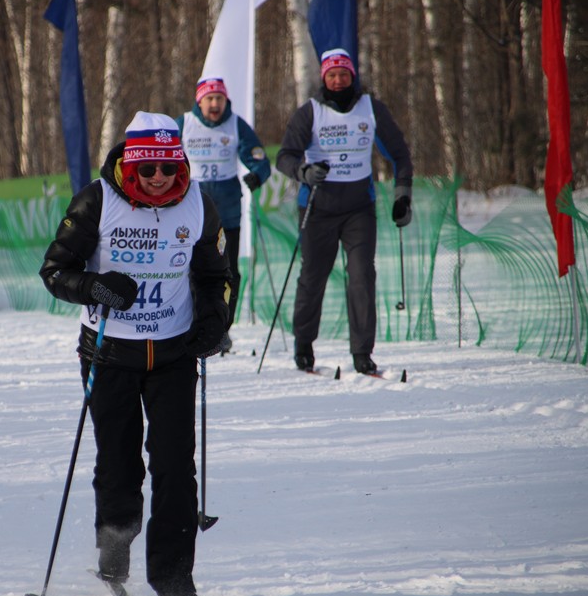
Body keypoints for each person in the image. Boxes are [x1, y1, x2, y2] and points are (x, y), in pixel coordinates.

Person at [40, 111, 232, 596]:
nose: (159, 178)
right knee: (119, 464)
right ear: (130, 165)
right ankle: (114, 559)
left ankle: (174, 578)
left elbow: (217, 275)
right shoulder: (97, 202)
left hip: (174, 353)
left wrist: (216, 319)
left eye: (169, 167)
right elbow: (55, 271)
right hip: (109, 352)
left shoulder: (198, 204)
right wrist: (96, 287)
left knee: (175, 467)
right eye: (148, 169)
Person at [276, 49, 413, 375]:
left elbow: (400, 154)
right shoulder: (310, 112)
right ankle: (303, 345)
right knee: (313, 277)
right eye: (332, 75)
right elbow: (285, 157)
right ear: (324, 78)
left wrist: (402, 195)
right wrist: (304, 172)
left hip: (358, 208)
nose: (338, 80)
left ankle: (362, 352)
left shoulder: (371, 108)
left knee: (362, 276)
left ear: (353, 76)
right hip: (317, 207)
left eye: (343, 74)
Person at [177, 77, 272, 353]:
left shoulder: (235, 124)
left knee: (228, 272)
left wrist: (257, 175)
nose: (215, 104)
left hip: (226, 215)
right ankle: (187, 324)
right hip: (191, 213)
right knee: (187, 271)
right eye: (209, 99)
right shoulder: (184, 124)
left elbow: (260, 159)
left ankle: (221, 330)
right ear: (200, 102)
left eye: (219, 98)